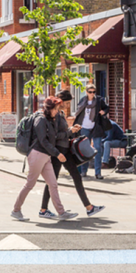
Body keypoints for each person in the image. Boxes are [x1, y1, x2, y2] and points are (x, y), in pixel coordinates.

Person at [39, 90, 105, 219]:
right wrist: (70, 131)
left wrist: (71, 130)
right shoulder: (55, 115)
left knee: (76, 176)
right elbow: (55, 135)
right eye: (68, 102)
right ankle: (43, 209)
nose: (69, 105)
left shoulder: (61, 113)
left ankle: (89, 207)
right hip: (58, 152)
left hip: (65, 150)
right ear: (61, 101)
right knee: (52, 181)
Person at [73, 84, 109, 179]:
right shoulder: (83, 101)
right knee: (85, 149)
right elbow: (78, 112)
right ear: (86, 92)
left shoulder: (99, 100)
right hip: (84, 127)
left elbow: (107, 108)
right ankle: (84, 171)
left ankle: (98, 173)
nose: (92, 94)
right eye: (90, 92)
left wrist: (104, 112)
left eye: (93, 92)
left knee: (97, 149)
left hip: (96, 127)